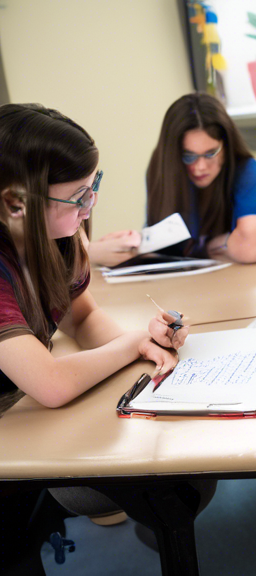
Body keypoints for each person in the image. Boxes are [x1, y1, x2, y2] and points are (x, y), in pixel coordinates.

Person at [0, 103, 214, 557]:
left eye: (92, 187)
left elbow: (82, 316)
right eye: (77, 196)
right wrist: (132, 343)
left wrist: (141, 343)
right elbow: (51, 384)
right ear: (15, 203)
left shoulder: (59, 237)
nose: (89, 206)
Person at [89, 93, 256, 265]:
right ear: (173, 154)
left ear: (226, 145)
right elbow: (165, 247)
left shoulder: (246, 170)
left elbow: (252, 248)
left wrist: (204, 245)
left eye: (211, 153)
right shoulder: (162, 168)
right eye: (189, 156)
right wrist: (136, 243)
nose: (201, 166)